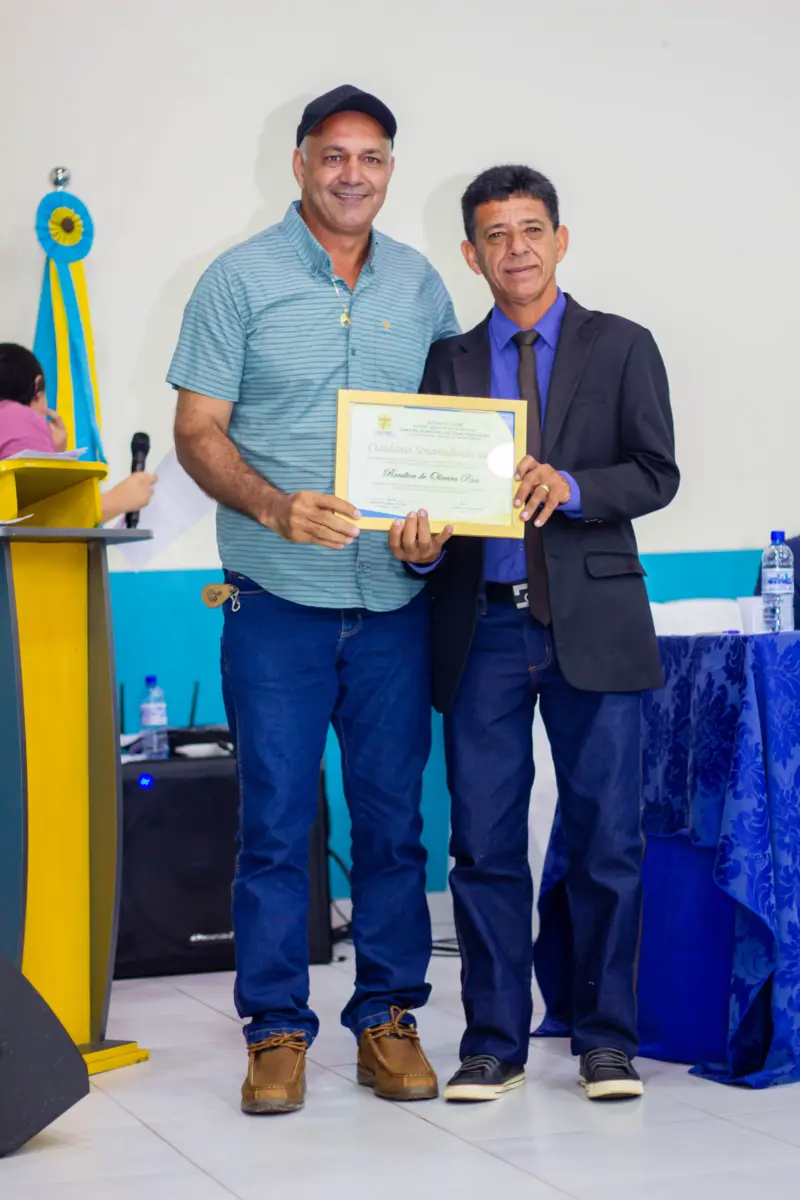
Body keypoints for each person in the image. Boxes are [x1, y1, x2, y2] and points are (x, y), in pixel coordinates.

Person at [170, 85, 459, 1116]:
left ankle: (387, 1018)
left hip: (393, 605)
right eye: (333, 155)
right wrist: (274, 506)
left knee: (392, 828)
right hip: (275, 600)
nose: (351, 174)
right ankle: (275, 1031)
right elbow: (197, 431)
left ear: (389, 170)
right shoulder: (237, 280)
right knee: (276, 825)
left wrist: (439, 523)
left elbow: (448, 433)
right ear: (299, 164)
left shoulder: (421, 286)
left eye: (370, 158)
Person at [390, 165, 679, 1103]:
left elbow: (657, 471)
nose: (515, 248)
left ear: (560, 239)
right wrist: (419, 550)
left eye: (530, 229)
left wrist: (576, 487)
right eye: (495, 235)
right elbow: (425, 495)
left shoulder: (623, 344)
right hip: (481, 631)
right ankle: (493, 1044)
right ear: (470, 254)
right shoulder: (447, 362)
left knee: (607, 842)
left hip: (595, 623)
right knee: (482, 846)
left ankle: (606, 1041)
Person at [0, 343, 157, 523]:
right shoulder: (20, 417)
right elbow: (37, 523)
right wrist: (117, 500)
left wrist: (52, 455)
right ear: (38, 387)